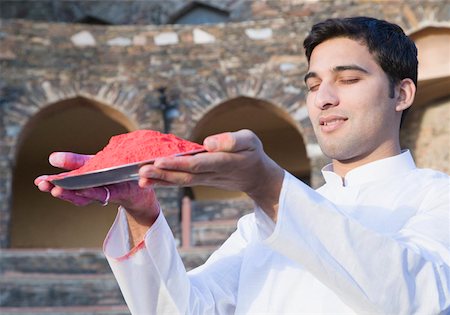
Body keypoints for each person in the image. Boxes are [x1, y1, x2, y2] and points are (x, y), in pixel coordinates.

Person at [35, 16, 450, 314]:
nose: (323, 98)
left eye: (348, 79)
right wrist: (141, 212)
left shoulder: (436, 198)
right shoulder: (257, 228)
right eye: (313, 84)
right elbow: (184, 310)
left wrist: (269, 187)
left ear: (402, 93)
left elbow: (417, 299)